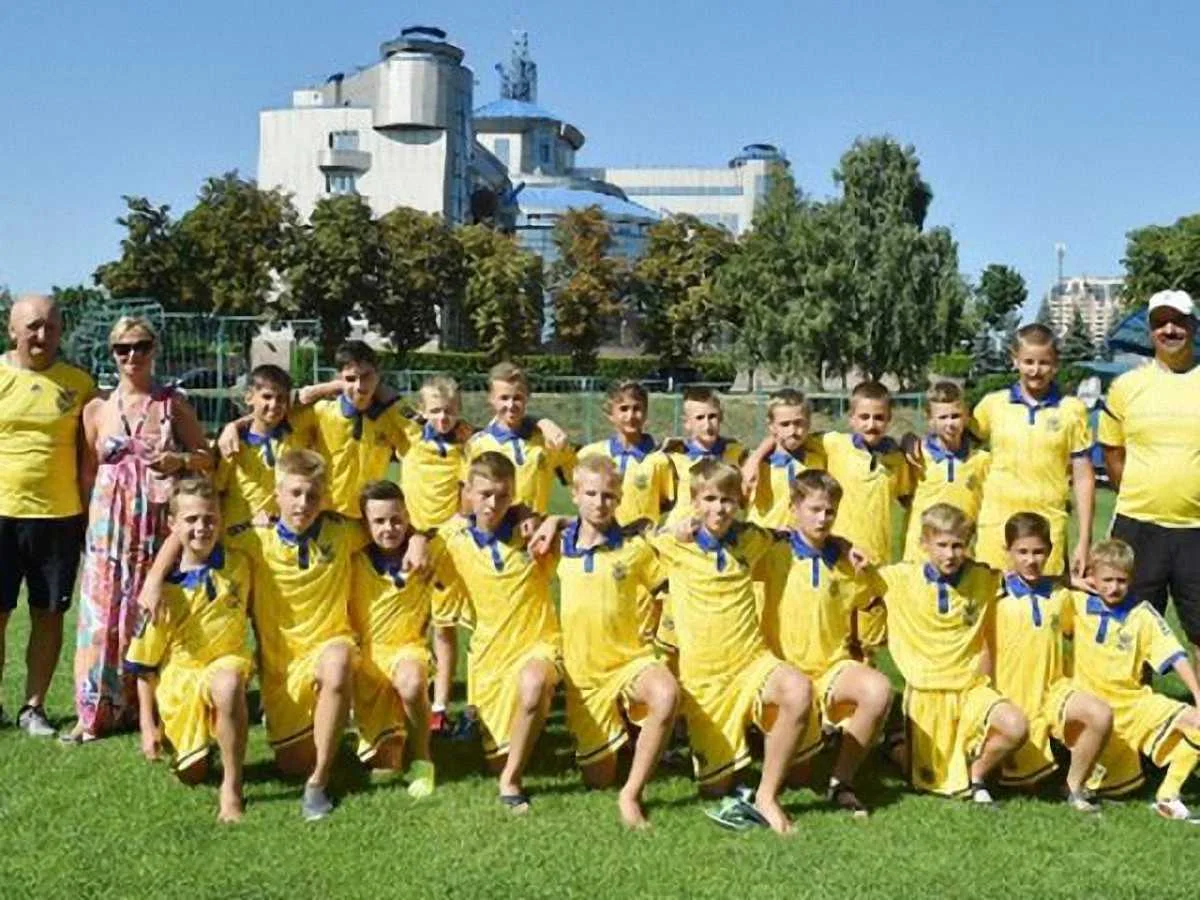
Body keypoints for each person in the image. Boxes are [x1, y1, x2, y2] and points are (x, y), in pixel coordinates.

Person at [67, 316, 211, 743]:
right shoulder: (97, 409)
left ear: (154, 350)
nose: (133, 356)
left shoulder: (172, 404)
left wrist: (179, 461)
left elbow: (207, 457)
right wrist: (87, 526)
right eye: (123, 348)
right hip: (108, 527)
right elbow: (87, 473)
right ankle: (94, 711)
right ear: (112, 354)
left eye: (141, 346)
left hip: (155, 524)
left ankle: (149, 705)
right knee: (101, 616)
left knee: (150, 610)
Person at [649, 459, 813, 834]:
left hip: (751, 662)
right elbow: (628, 534)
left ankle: (766, 796)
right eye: (709, 499)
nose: (719, 508)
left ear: (739, 502)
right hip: (705, 680)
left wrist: (845, 545)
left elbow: (791, 535)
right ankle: (727, 771)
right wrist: (670, 528)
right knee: (715, 788)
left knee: (798, 689)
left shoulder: (751, 538)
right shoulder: (672, 544)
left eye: (727, 500)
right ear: (694, 501)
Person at [533, 456, 680, 829]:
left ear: (619, 499)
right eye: (591, 494)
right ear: (575, 494)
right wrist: (554, 521)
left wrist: (663, 635)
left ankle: (631, 793)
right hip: (584, 674)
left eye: (609, 496)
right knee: (598, 777)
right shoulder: (557, 544)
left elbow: (667, 591)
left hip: (629, 659)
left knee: (666, 693)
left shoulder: (634, 546)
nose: (600, 503)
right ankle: (626, 734)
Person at [872, 503, 1028, 803]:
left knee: (1015, 725)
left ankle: (976, 776)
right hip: (926, 693)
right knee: (925, 779)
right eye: (942, 545)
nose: (950, 554)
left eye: (958, 545)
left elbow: (1028, 582)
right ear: (924, 544)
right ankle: (895, 743)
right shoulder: (899, 579)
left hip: (971, 689)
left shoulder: (985, 578)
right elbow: (858, 580)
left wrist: (1071, 583)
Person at [758, 470, 893, 817]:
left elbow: (871, 600)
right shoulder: (773, 551)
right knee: (799, 776)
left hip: (831, 666)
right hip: (782, 671)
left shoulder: (846, 562)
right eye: (814, 510)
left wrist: (857, 559)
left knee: (879, 690)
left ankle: (841, 782)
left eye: (829, 511)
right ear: (794, 508)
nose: (822, 518)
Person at [439, 452, 561, 813]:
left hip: (539, 644)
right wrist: (416, 541)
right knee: (494, 758)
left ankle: (511, 781)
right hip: (490, 657)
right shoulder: (452, 539)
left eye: (503, 495)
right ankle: (497, 730)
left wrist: (554, 519)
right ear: (467, 493)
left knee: (534, 683)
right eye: (485, 494)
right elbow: (413, 538)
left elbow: (594, 525)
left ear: (514, 495)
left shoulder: (533, 534)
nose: (493, 504)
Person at [124, 478, 252, 822]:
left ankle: (232, 787)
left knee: (227, 684)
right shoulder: (163, 592)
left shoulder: (240, 563)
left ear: (221, 519)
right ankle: (199, 743)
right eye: (191, 519)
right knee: (192, 775)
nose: (201, 527)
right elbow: (144, 665)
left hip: (226, 661)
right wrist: (147, 726)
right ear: (172, 524)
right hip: (180, 680)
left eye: (210, 519)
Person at [0, 294, 95, 736]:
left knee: (49, 614)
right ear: (12, 330)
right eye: (33, 326)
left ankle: (33, 707)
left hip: (59, 518)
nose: (42, 335)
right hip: (2, 513)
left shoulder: (79, 384)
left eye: (51, 327)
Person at [1099, 289, 1200, 684]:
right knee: (1132, 627)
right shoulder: (1127, 386)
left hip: (1196, 528)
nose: (1169, 330)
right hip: (1138, 525)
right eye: (1160, 323)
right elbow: (1113, 453)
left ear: (1193, 326)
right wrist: (1144, 492)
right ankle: (1133, 715)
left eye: (1178, 322)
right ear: (1150, 331)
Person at [1066, 539, 1200, 821]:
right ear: (1092, 576)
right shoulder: (1077, 604)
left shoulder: (1142, 614)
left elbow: (1176, 656)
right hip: (1091, 708)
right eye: (1107, 580)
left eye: (1121, 580)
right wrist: (1072, 581)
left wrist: (1198, 696)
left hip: (1133, 705)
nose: (1114, 587)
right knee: (1113, 787)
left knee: (1197, 722)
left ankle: (1168, 796)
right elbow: (1042, 585)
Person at [991, 512, 1112, 811]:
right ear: (1007, 551)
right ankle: (980, 779)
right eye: (1022, 552)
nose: (1031, 560)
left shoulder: (1062, 596)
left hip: (1054, 692)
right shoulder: (994, 595)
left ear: (1050, 551)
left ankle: (1073, 788)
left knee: (1100, 714)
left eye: (1038, 552)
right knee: (1022, 780)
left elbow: (1085, 627)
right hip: (1010, 695)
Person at [348, 479, 460, 797]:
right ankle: (390, 736)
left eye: (397, 520)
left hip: (407, 648)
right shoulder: (353, 555)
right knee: (386, 766)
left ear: (408, 516)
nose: (389, 528)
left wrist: (420, 537)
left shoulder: (425, 552)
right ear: (365, 524)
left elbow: (455, 525)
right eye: (379, 521)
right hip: (368, 658)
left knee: (411, 683)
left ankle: (423, 758)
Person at [972, 324, 1094, 578]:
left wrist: (1084, 540)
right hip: (997, 524)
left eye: (1044, 363)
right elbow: (954, 442)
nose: (1035, 370)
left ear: (1056, 364)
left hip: (1047, 526)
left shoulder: (1072, 410)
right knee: (992, 598)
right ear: (1014, 360)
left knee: (1046, 600)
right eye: (1028, 362)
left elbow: (1083, 477)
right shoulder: (993, 405)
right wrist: (910, 442)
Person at [397, 375, 471, 736]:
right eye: (436, 411)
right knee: (407, 624)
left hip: (446, 545)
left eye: (450, 411)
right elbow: (384, 400)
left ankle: (439, 706)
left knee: (444, 626)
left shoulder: (464, 449)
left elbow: (465, 495)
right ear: (423, 411)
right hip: (408, 542)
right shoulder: (408, 438)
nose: (443, 418)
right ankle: (404, 695)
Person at [819, 380, 915, 652]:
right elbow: (788, 432)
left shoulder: (896, 459)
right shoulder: (833, 445)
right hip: (836, 557)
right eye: (864, 417)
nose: (871, 424)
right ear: (851, 418)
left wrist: (909, 441)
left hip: (874, 563)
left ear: (889, 419)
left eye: (879, 417)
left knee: (868, 643)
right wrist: (755, 458)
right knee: (832, 639)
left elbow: (909, 499)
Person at [464, 361, 574, 515]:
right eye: (504, 398)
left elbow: (578, 478)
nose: (511, 405)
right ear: (491, 399)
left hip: (535, 526)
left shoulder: (546, 440)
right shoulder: (478, 444)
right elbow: (468, 496)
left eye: (517, 398)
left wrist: (543, 422)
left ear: (527, 397)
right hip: (496, 527)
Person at [212, 364, 312, 526]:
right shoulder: (233, 443)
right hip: (240, 532)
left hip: (284, 532)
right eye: (267, 397)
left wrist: (340, 384)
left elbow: (313, 395)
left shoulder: (296, 434)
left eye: (281, 399)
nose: (274, 404)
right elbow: (217, 491)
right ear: (249, 397)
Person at [901, 382, 990, 562]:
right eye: (942, 417)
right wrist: (905, 439)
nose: (950, 424)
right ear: (930, 419)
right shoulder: (916, 457)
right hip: (920, 557)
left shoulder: (982, 461)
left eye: (955, 416)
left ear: (966, 416)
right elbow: (901, 497)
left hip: (961, 555)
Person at [576, 380, 674, 527]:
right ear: (610, 414)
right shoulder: (590, 454)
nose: (630, 416)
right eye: (623, 409)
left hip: (641, 539)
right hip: (600, 537)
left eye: (637, 408)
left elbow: (668, 502)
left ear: (646, 413)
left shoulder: (660, 459)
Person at [661, 386, 746, 527]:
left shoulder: (737, 454)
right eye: (700, 418)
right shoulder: (673, 457)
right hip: (683, 531)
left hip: (722, 529)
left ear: (721, 417)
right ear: (687, 423)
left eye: (712, 416)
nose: (707, 424)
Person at [744, 388, 828, 530]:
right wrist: (755, 459)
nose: (792, 431)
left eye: (799, 423)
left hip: (803, 539)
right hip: (765, 539)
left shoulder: (818, 458)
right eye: (785, 424)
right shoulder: (759, 466)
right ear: (771, 426)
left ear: (808, 423)